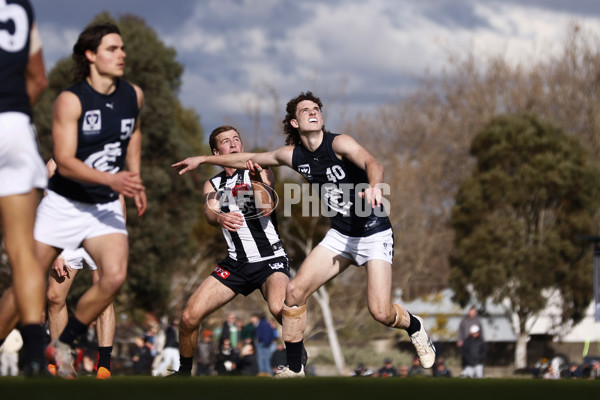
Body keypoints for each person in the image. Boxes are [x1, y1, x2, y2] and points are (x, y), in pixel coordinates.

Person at [172, 91, 436, 378]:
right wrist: (200, 160)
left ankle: (414, 326)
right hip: (341, 235)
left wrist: (374, 185)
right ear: (294, 122)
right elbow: (249, 158)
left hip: (373, 232)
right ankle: (296, 368)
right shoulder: (292, 155)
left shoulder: (339, 142)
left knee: (381, 312)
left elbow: (373, 163)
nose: (313, 112)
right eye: (305, 110)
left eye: (316, 109)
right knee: (295, 292)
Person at [34, 22, 146, 378]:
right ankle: (60, 357)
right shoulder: (71, 105)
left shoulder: (131, 97)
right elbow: (57, 171)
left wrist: (134, 178)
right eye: (113, 48)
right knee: (49, 294)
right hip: (67, 214)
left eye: (122, 48)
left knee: (108, 286)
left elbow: (135, 133)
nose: (122, 54)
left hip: (104, 215)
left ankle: (101, 365)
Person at [167, 125, 292, 377]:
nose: (234, 144)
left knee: (280, 309)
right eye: (226, 141)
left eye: (236, 139)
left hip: (270, 260)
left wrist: (257, 180)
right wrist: (219, 217)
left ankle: (297, 358)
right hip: (236, 264)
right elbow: (209, 212)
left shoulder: (260, 169)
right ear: (217, 152)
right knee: (189, 316)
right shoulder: (212, 183)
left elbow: (266, 206)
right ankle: (183, 373)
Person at [0, 0, 48, 376]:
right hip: (16, 126)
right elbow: (39, 78)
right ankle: (33, 350)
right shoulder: (20, 5)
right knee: (22, 249)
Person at [45, 159, 116, 379]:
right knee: (55, 297)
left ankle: (103, 366)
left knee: (103, 297)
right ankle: (63, 362)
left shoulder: (108, 153)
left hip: (100, 229)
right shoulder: (56, 162)